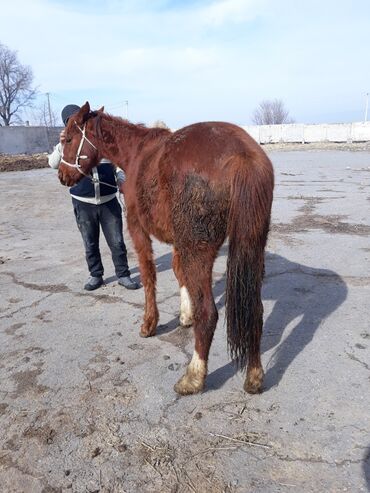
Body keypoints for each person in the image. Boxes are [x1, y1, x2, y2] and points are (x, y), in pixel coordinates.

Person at [48, 104, 139, 291]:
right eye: (70, 122)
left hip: (108, 201)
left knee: (117, 242)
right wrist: (62, 144)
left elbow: (118, 165)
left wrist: (122, 180)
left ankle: (123, 275)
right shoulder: (68, 144)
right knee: (90, 243)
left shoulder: (99, 142)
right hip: (84, 203)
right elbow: (53, 164)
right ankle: (96, 275)